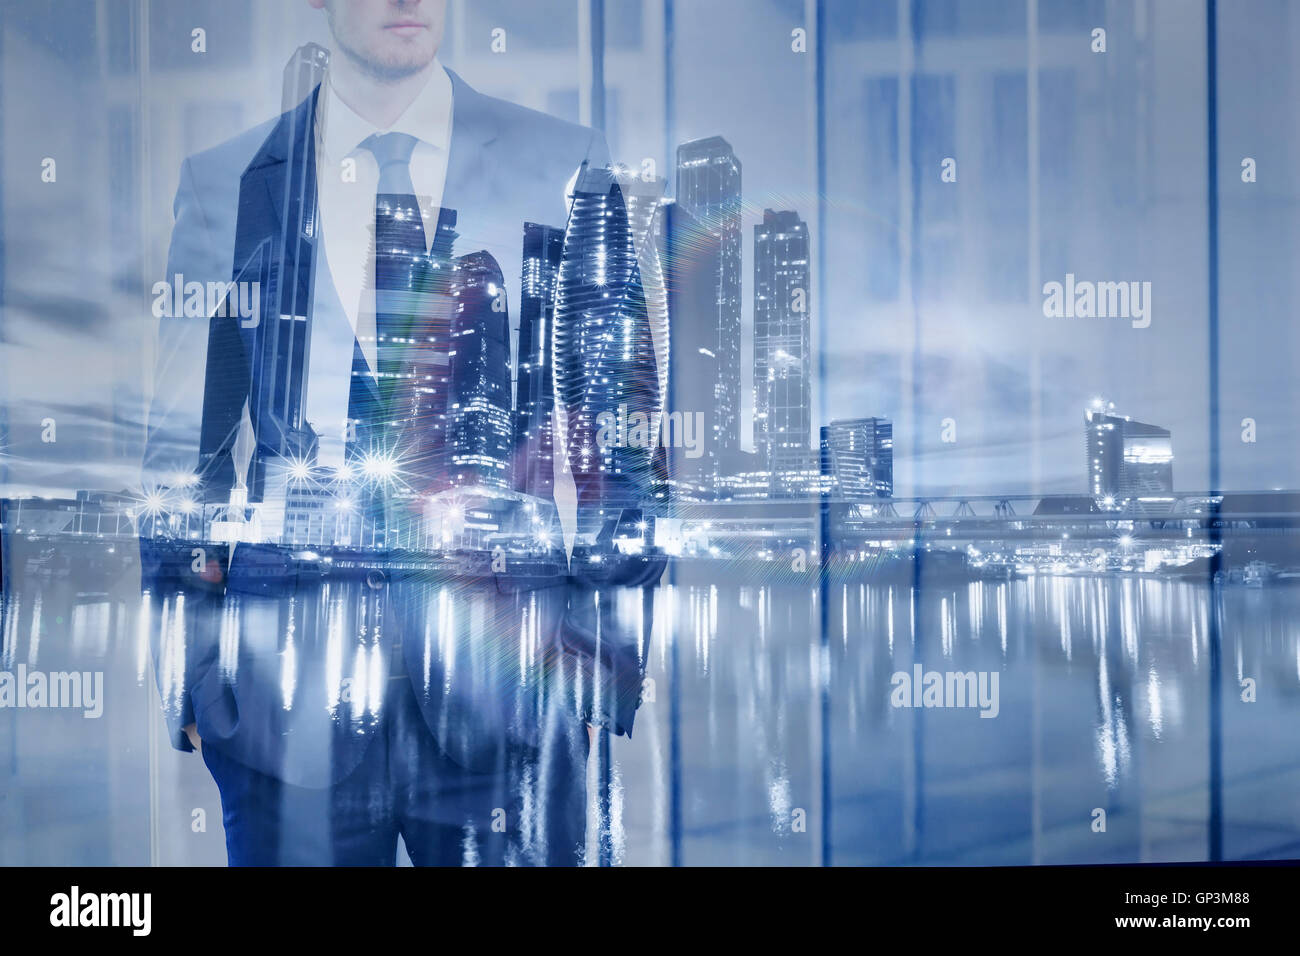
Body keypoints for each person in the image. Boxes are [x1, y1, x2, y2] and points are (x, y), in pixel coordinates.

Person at [141, 0, 660, 866]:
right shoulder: (226, 180)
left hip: (514, 694)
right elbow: (184, 452)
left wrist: (604, 645)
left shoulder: (565, 163)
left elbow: (624, 424)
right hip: (281, 706)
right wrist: (193, 675)